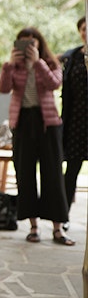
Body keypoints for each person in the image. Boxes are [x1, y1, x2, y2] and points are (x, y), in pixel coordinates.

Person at [0, 26, 73, 246]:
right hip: (22, 123)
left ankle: (58, 228)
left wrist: (38, 62)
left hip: (47, 124)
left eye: (33, 42)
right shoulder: (14, 66)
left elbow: (55, 83)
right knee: (25, 174)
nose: (29, 46)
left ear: (39, 43)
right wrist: (9, 65)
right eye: (23, 42)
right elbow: (3, 88)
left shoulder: (50, 63)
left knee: (53, 175)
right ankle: (33, 227)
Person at [60, 16, 87, 230]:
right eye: (83, 29)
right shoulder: (73, 57)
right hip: (77, 121)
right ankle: (63, 216)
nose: (86, 33)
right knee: (71, 172)